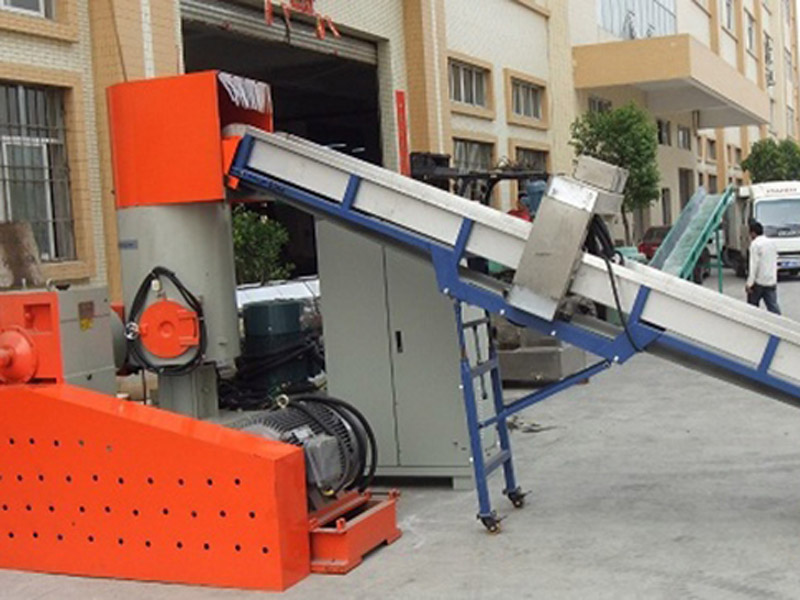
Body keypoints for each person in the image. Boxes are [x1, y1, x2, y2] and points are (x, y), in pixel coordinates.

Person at [746, 220, 781, 314]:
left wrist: (749, 283)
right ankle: (778, 321)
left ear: (753, 233)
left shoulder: (755, 244)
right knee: (773, 307)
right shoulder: (771, 243)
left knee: (752, 308)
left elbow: (754, 265)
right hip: (771, 280)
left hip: (759, 282)